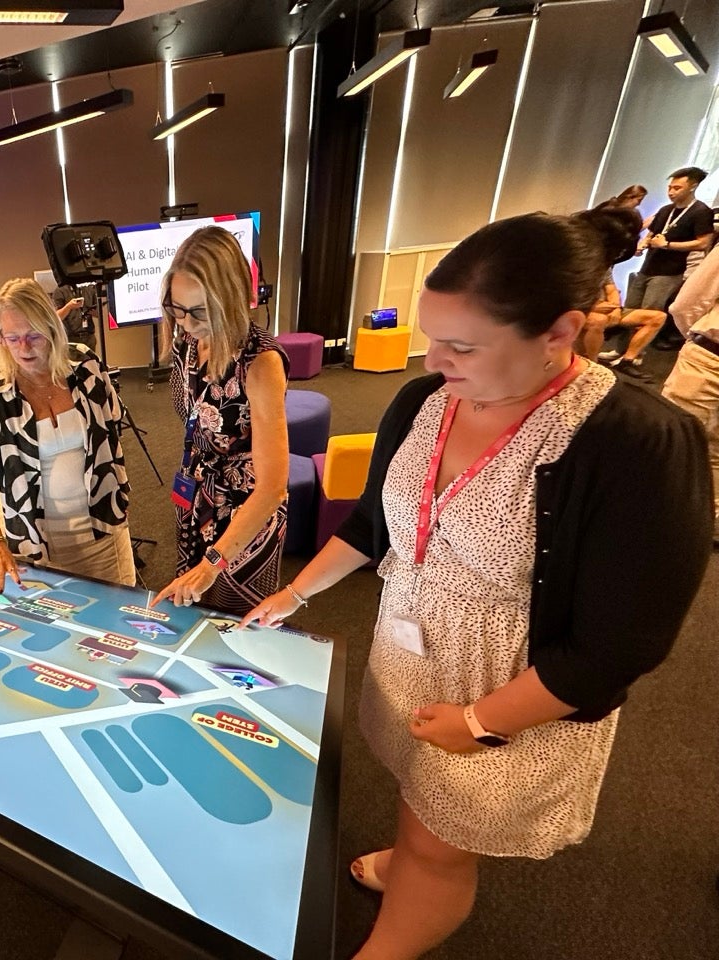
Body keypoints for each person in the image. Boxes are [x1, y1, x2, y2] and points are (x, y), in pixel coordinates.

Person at [240, 214, 711, 960]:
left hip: (510, 693)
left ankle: (407, 908)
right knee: (413, 789)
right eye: (434, 338)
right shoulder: (424, 401)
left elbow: (622, 642)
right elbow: (376, 525)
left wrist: (483, 720)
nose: (436, 358)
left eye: (462, 345)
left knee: (441, 839)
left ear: (558, 331)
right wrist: (296, 593)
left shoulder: (637, 443)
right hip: (411, 652)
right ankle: (420, 851)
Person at [151, 226, 290, 615]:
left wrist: (215, 561)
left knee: (237, 623)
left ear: (228, 301)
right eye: (175, 308)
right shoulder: (188, 342)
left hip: (245, 514)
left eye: (198, 311)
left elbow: (273, 488)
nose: (184, 322)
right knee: (194, 611)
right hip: (197, 493)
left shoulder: (261, 364)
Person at [0, 277, 134, 589]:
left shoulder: (86, 366)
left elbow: (112, 429)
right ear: (0, 338)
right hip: (36, 544)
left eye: (33, 335)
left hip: (103, 530)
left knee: (119, 624)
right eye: (12, 338)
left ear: (52, 328)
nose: (24, 348)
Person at [595, 167, 713, 374]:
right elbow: (652, 233)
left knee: (649, 313)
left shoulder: (700, 212)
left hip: (668, 273)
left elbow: (703, 243)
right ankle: (620, 351)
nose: (671, 191)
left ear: (693, 186)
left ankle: (634, 356)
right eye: (670, 187)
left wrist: (668, 245)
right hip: (647, 267)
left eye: (677, 187)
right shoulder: (666, 210)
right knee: (629, 310)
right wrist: (643, 244)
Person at [664, 243, 719, 545]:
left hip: (709, 359)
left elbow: (685, 305)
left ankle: (660, 523)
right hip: (709, 358)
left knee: (675, 445)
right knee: (714, 455)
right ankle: (698, 530)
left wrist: (696, 339)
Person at [572, 204, 644, 359]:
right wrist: (593, 306)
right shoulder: (573, 257)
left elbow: (611, 289)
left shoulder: (599, 263)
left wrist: (615, 307)